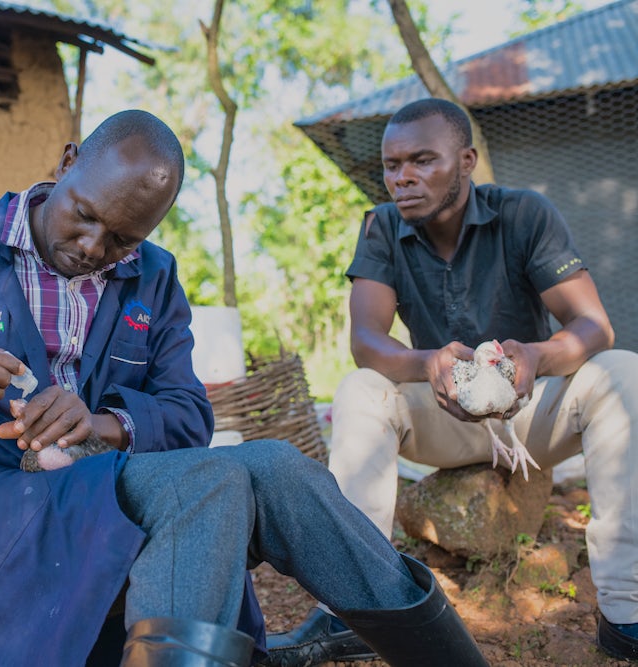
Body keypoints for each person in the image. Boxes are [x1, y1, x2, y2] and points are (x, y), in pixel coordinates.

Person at [0, 109, 487, 667]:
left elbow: (187, 414)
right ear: (68, 160)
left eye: (122, 238)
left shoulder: (153, 276)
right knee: (209, 483)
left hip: (104, 484)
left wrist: (99, 423)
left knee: (278, 465)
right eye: (84, 215)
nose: (92, 246)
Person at [265, 97, 638, 665]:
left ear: (466, 161)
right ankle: (355, 610)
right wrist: (428, 364)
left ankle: (625, 609)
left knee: (623, 370)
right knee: (358, 388)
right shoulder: (382, 228)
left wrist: (537, 355)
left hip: (528, 415)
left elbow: (594, 325)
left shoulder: (524, 214)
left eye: (422, 160)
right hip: (444, 419)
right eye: (392, 166)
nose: (402, 178)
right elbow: (366, 340)